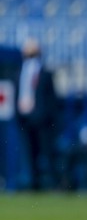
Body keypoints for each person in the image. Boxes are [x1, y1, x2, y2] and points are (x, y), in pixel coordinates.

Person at [15, 39, 59, 190]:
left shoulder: (45, 73)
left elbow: (51, 98)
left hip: (42, 120)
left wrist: (49, 118)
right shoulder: (20, 71)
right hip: (25, 119)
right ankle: (34, 184)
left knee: (47, 153)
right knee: (30, 153)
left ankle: (54, 184)